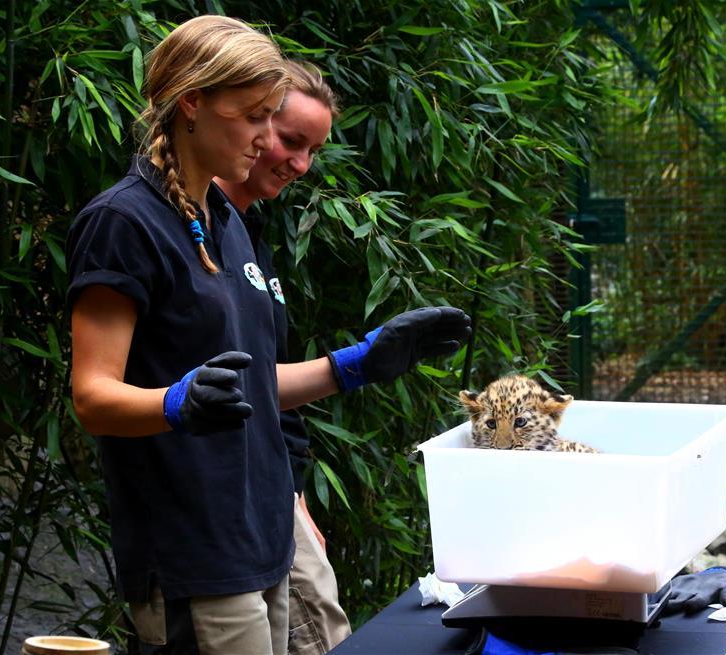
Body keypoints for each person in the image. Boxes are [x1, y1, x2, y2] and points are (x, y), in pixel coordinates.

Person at [66, 16, 470, 655]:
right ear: (193, 103)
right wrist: (173, 403)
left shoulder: (226, 221)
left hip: (261, 531)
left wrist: (355, 364)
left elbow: (246, 386)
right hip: (194, 549)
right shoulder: (123, 221)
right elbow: (91, 396)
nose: (263, 136)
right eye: (255, 116)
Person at [213, 61, 469, 654]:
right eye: (288, 139)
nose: (299, 165)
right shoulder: (171, 228)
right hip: (219, 510)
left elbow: (262, 379)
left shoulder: (250, 236)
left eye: (313, 151)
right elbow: (209, 388)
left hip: (272, 488)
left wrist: (295, 491)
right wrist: (355, 362)